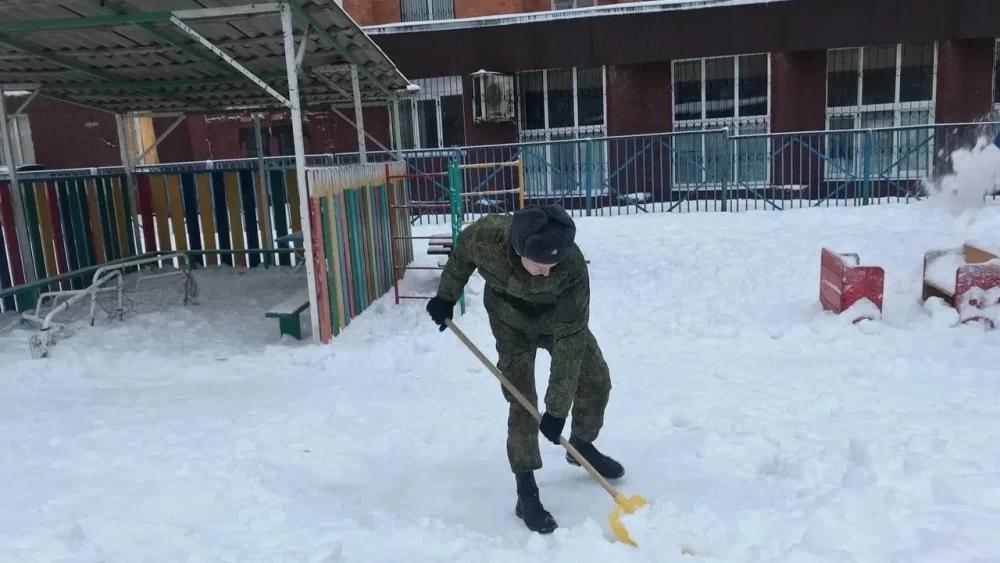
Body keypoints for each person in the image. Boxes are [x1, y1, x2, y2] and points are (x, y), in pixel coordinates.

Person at [425, 203, 623, 535]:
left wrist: (558, 409)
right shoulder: (487, 236)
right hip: (509, 324)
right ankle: (526, 487)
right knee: (522, 400)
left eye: (553, 264)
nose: (548, 271)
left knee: (596, 380)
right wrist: (446, 295)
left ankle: (582, 444)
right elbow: (462, 255)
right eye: (541, 265)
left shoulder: (571, 267)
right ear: (518, 249)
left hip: (557, 322)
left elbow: (571, 340)